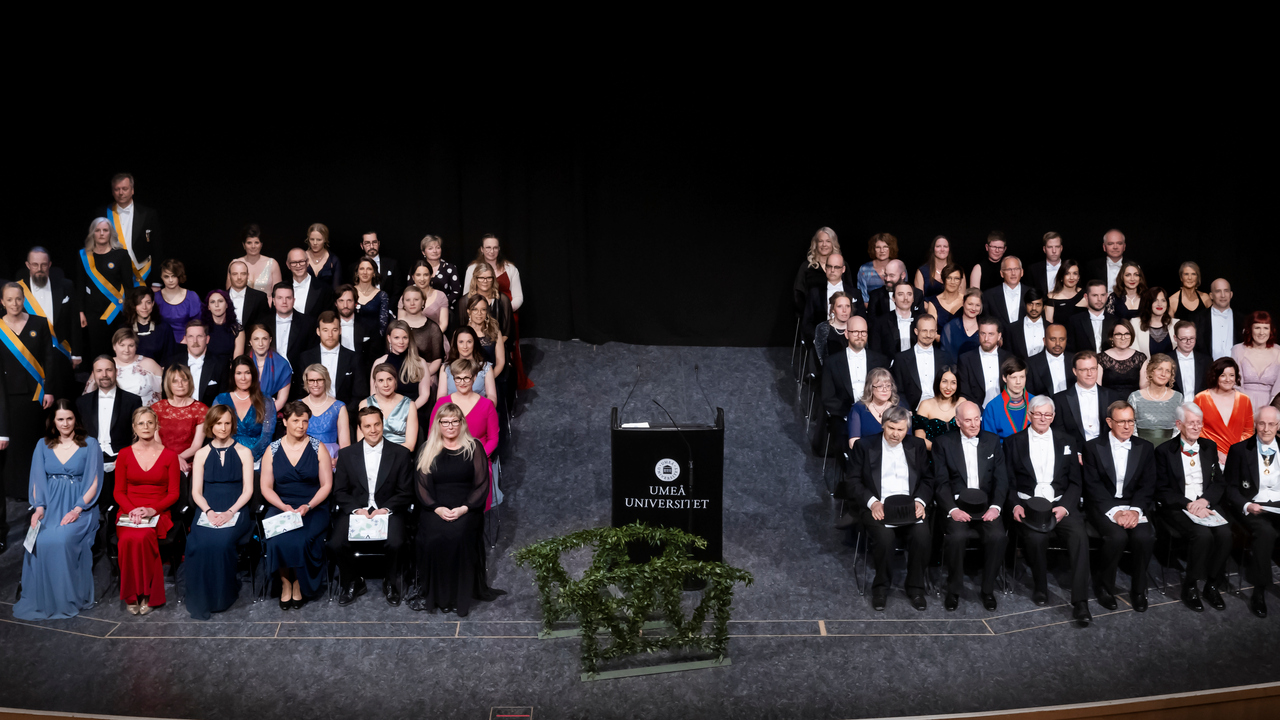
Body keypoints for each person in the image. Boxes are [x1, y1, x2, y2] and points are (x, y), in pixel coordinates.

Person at [408, 401, 504, 615]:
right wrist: (437, 508)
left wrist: (464, 508)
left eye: (454, 421)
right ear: (438, 424)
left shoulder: (474, 447)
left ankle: (457, 597)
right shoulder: (427, 449)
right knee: (433, 537)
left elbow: (481, 485)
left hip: (467, 507)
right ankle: (438, 596)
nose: (450, 426)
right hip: (435, 508)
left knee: (458, 535)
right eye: (445, 422)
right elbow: (421, 486)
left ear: (462, 423)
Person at [1005, 396, 1092, 624]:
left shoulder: (1067, 440)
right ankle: (1040, 586)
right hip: (1028, 505)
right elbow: (1007, 482)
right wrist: (1015, 505)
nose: (1043, 418)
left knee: (1079, 536)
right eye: (1038, 414)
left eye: (1047, 414)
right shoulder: (1013, 442)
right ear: (1029, 415)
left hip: (1060, 504)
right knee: (1035, 538)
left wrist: (1065, 507)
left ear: (1053, 417)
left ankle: (1081, 602)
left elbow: (1075, 482)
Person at [13, 401, 102, 619]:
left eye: (69, 418)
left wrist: (77, 509)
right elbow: (37, 478)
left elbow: (94, 481)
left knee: (62, 539)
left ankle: (66, 598)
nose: (65, 423)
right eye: (60, 419)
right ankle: (44, 597)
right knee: (40, 539)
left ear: (76, 419)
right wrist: (39, 508)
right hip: (50, 505)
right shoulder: (42, 444)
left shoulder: (90, 444)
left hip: (80, 506)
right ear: (53, 421)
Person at [848, 406, 932, 611]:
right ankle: (881, 589)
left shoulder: (917, 445)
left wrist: (920, 501)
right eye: (891, 428)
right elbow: (852, 481)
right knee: (885, 539)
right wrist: (873, 502)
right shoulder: (864, 446)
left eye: (901, 430)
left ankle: (916, 588)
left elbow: (928, 479)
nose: (895, 434)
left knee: (922, 536)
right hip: (879, 506)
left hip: (910, 506)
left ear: (907, 429)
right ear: (883, 425)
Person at [329, 405, 415, 607]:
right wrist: (356, 510)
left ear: (383, 425)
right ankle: (353, 581)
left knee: (396, 542)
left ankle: (390, 581)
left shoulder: (401, 453)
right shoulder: (347, 454)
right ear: (360, 428)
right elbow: (339, 491)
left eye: (377, 424)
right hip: (356, 510)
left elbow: (406, 492)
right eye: (367, 426)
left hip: (388, 509)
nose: (373, 430)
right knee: (335, 543)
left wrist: (386, 509)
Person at [931, 400, 1008, 611]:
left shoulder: (992, 441)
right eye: (968, 420)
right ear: (957, 422)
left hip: (986, 506)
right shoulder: (943, 443)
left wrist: (996, 507)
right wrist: (952, 509)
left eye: (977, 419)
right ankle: (954, 590)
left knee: (998, 537)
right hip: (957, 505)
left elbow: (1001, 479)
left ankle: (988, 589)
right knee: (956, 537)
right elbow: (940, 482)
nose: (974, 424)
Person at [1154, 402, 1231, 612]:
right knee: (1202, 536)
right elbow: (1161, 489)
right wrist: (1188, 504)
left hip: (1205, 503)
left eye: (1199, 423)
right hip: (1179, 505)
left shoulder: (1209, 447)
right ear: (1179, 424)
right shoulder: (1164, 451)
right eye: (1191, 423)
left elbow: (1219, 482)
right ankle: (1190, 585)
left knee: (1225, 534)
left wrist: (1205, 501)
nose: (1196, 427)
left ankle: (1212, 584)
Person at [1081, 400, 1157, 612]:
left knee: (1144, 537)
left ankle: (1139, 589)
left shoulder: (1145, 447)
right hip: (1104, 505)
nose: (1127, 426)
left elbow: (1148, 485)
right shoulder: (1092, 447)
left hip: (1134, 505)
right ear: (1109, 422)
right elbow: (1092, 486)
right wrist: (1115, 512)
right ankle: (1104, 586)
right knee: (1116, 537)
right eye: (1121, 421)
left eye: (1131, 421)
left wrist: (1135, 510)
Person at [184, 404, 254, 620]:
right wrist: (208, 511)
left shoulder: (244, 452)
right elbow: (196, 492)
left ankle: (222, 596)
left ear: (232, 425)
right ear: (210, 425)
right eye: (218, 423)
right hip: (208, 507)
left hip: (236, 508)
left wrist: (230, 512)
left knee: (222, 543)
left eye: (227, 423)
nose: (223, 428)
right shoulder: (202, 453)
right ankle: (202, 596)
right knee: (198, 543)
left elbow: (248, 490)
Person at [2, 281, 60, 543]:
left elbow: (49, 358)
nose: (15, 304)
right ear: (2, 302)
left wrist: (49, 389)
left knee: (36, 445)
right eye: (9, 299)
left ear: (24, 299)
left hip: (37, 396)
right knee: (15, 446)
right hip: (8, 397)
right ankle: (17, 490)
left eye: (18, 299)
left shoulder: (39, 323)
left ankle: (37, 491)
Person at [262, 401, 333, 609]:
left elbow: (326, 485)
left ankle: (300, 583)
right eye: (295, 421)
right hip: (281, 505)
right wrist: (283, 506)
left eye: (305, 421)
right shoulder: (272, 449)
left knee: (301, 539)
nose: (301, 426)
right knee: (277, 539)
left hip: (313, 506)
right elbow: (266, 487)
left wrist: (308, 506)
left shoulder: (318, 447)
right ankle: (286, 582)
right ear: (285, 422)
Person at [113, 407, 180, 614]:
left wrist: (152, 510)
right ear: (134, 427)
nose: (146, 427)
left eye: (150, 422)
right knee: (127, 538)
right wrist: (132, 510)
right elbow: (118, 491)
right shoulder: (124, 454)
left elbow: (173, 494)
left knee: (143, 537)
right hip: (129, 511)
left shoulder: (170, 456)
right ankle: (132, 594)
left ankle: (150, 594)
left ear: (157, 426)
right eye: (141, 423)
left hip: (157, 512)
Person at [76, 356, 142, 558]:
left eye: (108, 370)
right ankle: (92, 541)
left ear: (116, 372)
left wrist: (125, 458)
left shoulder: (133, 400)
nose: (104, 375)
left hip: (120, 458)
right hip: (92, 459)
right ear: (94, 375)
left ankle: (116, 542)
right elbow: (79, 436)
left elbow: (137, 436)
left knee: (117, 500)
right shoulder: (82, 402)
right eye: (99, 371)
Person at [1223, 405, 1280, 618]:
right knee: (1266, 533)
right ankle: (1259, 590)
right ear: (1255, 424)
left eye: (1271, 424)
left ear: (1278, 426)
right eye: (1262, 423)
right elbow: (1229, 487)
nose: (1266, 429)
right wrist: (1246, 505)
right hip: (1254, 506)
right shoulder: (1239, 450)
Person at [464, 234, 530, 391]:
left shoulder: (510, 269)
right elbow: (467, 294)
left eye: (495, 247)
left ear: (499, 249)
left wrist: (502, 309)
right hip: (478, 313)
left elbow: (519, 297)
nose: (491, 251)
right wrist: (481, 311)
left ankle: (508, 377)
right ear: (482, 249)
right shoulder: (472, 269)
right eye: (488, 247)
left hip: (505, 312)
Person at [430, 359, 501, 505]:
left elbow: (493, 439)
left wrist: (478, 457)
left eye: (466, 378)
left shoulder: (487, 405)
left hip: (477, 458)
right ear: (453, 379)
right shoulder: (442, 403)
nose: (462, 382)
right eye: (458, 378)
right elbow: (433, 434)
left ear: (474, 378)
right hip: (446, 458)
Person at [17, 247, 80, 390]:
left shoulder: (66, 286)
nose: (39, 269)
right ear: (28, 265)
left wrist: (77, 354)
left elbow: (74, 322)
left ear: (50, 264)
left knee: (62, 395)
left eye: (43, 265)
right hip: (30, 354)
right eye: (35, 265)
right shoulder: (18, 289)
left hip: (60, 353)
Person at [820, 317, 891, 443]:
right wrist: (852, 414)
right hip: (844, 414)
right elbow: (828, 397)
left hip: (876, 413)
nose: (860, 336)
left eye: (863, 332)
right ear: (847, 334)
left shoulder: (881, 361)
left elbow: (888, 390)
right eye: (855, 332)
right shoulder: (831, 362)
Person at [77, 217, 131, 361]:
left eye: (105, 230)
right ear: (92, 233)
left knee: (120, 351)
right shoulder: (84, 256)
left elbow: (129, 286)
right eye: (98, 230)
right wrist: (81, 311)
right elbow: (80, 285)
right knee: (97, 352)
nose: (101, 234)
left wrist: (130, 311)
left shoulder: (121, 254)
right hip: (93, 314)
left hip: (118, 312)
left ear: (110, 233)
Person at [1052, 351, 1120, 458]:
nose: (1090, 374)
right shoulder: (1060, 399)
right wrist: (1075, 453)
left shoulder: (1113, 396)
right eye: (1084, 370)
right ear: (1075, 371)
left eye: (1093, 368)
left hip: (1108, 453)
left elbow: (1117, 428)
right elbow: (1059, 433)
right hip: (1075, 454)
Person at [213, 356, 277, 468]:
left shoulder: (265, 400)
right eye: (239, 373)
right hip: (226, 457)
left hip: (257, 460)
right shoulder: (221, 400)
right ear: (233, 375)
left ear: (253, 375)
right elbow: (216, 433)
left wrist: (249, 457)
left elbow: (266, 436)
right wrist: (230, 457)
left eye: (247, 373)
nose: (243, 378)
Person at [369, 320, 433, 432]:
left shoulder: (420, 363)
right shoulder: (379, 363)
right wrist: (388, 413)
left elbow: (424, 395)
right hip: (386, 416)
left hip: (413, 414)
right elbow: (374, 395)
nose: (401, 342)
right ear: (389, 339)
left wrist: (407, 412)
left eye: (405, 337)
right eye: (397, 338)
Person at [102, 173, 163, 288]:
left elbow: (157, 248)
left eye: (124, 189)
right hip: (112, 275)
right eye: (117, 189)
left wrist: (156, 282)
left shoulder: (148, 214)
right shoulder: (102, 213)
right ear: (112, 192)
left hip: (142, 274)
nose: (121, 193)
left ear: (132, 190)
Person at [296, 311, 364, 410]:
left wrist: (344, 413)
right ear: (318, 331)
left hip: (346, 413)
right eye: (325, 330)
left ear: (340, 331)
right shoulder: (305, 358)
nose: (330, 335)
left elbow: (359, 394)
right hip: (312, 413)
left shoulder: (354, 358)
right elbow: (301, 392)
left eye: (334, 330)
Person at [1194, 357, 1256, 464]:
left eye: (1231, 375)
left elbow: (1248, 432)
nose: (1228, 379)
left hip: (1238, 457)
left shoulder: (1244, 400)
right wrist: (1215, 452)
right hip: (1208, 456)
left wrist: (1235, 452)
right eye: (1223, 375)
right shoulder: (1201, 398)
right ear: (1215, 376)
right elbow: (1197, 430)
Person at [151, 363, 209, 473]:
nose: (180, 385)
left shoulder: (201, 409)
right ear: (168, 383)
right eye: (175, 381)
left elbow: (196, 445)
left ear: (189, 382)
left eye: (184, 380)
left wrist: (178, 459)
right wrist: (173, 458)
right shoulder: (157, 408)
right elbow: (156, 442)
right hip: (161, 459)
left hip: (189, 464)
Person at [891, 314, 954, 411]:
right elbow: (898, 391)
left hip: (941, 410)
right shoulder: (901, 359)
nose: (928, 335)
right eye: (924, 331)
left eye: (932, 331)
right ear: (916, 331)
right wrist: (906, 411)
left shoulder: (946, 357)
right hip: (911, 411)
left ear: (936, 332)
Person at [165, 320, 228, 407]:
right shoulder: (171, 362)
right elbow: (166, 396)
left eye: (199, 336)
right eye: (191, 336)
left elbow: (223, 400)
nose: (195, 341)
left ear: (207, 339)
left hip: (209, 414)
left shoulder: (221, 364)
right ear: (185, 339)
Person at [95, 328, 163, 406]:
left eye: (131, 345)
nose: (126, 350)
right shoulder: (104, 364)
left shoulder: (149, 363)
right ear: (114, 346)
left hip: (147, 411)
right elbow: (89, 394)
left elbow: (166, 390)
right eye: (122, 345)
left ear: (136, 347)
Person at [464, 263, 515, 367]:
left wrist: (493, 346)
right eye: (481, 278)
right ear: (475, 279)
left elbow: (508, 331)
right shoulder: (464, 301)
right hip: (469, 350)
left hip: (497, 350)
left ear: (493, 279)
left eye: (489, 278)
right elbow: (460, 329)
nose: (485, 281)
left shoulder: (503, 300)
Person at [360, 363, 418, 450]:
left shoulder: (409, 405)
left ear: (395, 381)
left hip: (400, 454)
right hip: (373, 453)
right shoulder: (365, 404)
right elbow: (361, 442)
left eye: (389, 379)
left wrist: (388, 455)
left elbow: (410, 445)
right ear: (375, 383)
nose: (386, 384)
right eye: (381, 380)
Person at [264, 283, 318, 377]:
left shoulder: (308, 323)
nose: (284, 302)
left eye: (288, 298)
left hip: (298, 377)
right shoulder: (263, 323)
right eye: (280, 298)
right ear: (273, 301)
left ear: (294, 300)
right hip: (268, 376)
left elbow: (312, 354)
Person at [957, 317, 1011, 408]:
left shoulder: (1009, 359)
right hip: (976, 411)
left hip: (1005, 410)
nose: (986, 338)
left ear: (999, 336)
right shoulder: (965, 359)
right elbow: (964, 392)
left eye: (991, 334)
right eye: (983, 333)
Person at [299, 364, 350, 461]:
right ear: (306, 381)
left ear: (326, 381)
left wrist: (338, 461)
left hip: (331, 458)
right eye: (311, 380)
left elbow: (345, 444)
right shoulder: (298, 406)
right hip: (303, 457)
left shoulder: (338, 407)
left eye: (319, 380)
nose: (315, 384)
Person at [846, 368, 906, 448]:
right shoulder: (858, 408)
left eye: (888, 386)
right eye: (880, 386)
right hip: (866, 453)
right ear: (870, 388)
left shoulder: (899, 407)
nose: (885, 390)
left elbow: (907, 440)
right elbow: (853, 442)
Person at [1129, 354, 1183, 444]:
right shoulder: (1135, 397)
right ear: (1151, 371)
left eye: (1168, 371)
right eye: (1159, 369)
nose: (1163, 374)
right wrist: (1141, 447)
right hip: (1141, 446)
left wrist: (1169, 448)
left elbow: (1179, 427)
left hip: (1169, 448)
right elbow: (1130, 426)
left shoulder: (1178, 397)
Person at [465, 296, 508, 406]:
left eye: (483, 309)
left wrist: (488, 380)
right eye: (475, 309)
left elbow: (500, 362)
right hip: (466, 382)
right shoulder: (462, 333)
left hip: (491, 379)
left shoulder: (495, 332)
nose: (479, 313)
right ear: (469, 312)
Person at [1232, 311, 1280, 410]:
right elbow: (1235, 383)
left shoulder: (1278, 351)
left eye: (1266, 328)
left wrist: (1271, 410)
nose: (1261, 332)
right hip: (1241, 404)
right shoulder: (1238, 350)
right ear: (1250, 329)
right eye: (1257, 328)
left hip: (1272, 407)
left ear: (1271, 330)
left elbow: (1278, 388)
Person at [441, 326, 498, 405]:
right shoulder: (446, 368)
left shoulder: (486, 367)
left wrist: (482, 409)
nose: (465, 346)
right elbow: (441, 397)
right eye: (461, 342)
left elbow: (492, 397)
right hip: (452, 411)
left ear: (474, 343)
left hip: (479, 410)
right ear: (456, 344)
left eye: (469, 342)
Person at [245, 324, 292, 416]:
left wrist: (263, 415)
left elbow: (281, 400)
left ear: (270, 340)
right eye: (256, 339)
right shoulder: (242, 364)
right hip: (245, 413)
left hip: (272, 414)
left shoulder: (282, 365)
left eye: (264, 339)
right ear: (250, 341)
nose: (260, 343)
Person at [981, 356, 1034, 439]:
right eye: (1013, 377)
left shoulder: (1035, 402)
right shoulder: (992, 407)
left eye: (1022, 377)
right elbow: (988, 441)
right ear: (1004, 378)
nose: (1018, 382)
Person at [154, 260, 203, 345]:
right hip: (162, 343)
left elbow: (198, 323)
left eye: (173, 276)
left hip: (188, 342)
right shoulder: (156, 298)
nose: (170, 280)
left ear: (179, 276)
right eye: (166, 276)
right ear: (161, 277)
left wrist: (189, 338)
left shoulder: (192, 297)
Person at [912, 366, 962, 451]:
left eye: (953, 382)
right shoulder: (925, 405)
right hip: (933, 453)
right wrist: (941, 451)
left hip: (959, 453)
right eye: (944, 381)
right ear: (938, 382)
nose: (948, 387)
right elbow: (920, 438)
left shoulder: (962, 403)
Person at [804, 253, 852, 337]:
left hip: (849, 339)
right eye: (829, 266)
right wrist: (818, 339)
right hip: (822, 338)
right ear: (825, 268)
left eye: (836, 267)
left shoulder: (854, 293)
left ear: (843, 269)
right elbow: (807, 323)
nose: (832, 270)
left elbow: (861, 320)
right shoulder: (815, 293)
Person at [794, 227, 840, 312]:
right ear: (815, 243)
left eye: (828, 241)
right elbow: (798, 293)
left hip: (838, 316)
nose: (824, 244)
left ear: (833, 243)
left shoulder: (841, 265)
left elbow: (849, 291)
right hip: (812, 316)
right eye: (820, 241)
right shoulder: (806, 266)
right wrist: (807, 314)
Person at [124, 286, 175, 363]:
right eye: (139, 303)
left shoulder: (164, 328)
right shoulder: (125, 329)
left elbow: (170, 357)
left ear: (153, 303)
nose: (144, 307)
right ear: (134, 306)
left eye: (148, 302)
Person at [227, 224, 282, 295]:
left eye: (256, 242)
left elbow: (279, 293)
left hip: (267, 302)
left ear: (261, 244)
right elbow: (229, 293)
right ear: (243, 245)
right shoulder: (234, 264)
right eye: (249, 243)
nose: (253, 246)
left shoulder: (272, 264)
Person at [869, 282, 921, 357]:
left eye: (909, 294)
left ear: (913, 298)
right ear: (893, 298)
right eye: (900, 294)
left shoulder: (921, 321)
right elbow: (875, 352)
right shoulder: (880, 322)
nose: (905, 298)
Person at [1098, 319, 1147, 397]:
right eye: (1118, 334)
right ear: (1111, 337)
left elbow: (1144, 390)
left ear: (1131, 335)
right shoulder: (1101, 358)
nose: (1123, 338)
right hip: (1108, 402)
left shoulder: (1140, 358)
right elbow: (1098, 390)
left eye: (1127, 334)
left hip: (1134, 402)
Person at [982, 255, 1030, 333]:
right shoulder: (989, 295)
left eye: (1016, 269)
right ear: (1001, 273)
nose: (1013, 273)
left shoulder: (1031, 293)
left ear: (1022, 272)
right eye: (1009, 269)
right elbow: (985, 322)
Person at [1066, 280, 1116, 354]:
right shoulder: (1075, 321)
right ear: (1086, 297)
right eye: (1095, 295)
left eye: (1102, 295)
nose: (1099, 299)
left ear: (1107, 296)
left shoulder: (1115, 321)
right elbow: (1070, 350)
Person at [285, 248, 336, 320]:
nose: (298, 265)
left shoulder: (324, 289)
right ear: (288, 265)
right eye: (293, 262)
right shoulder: (281, 288)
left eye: (301, 261)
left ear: (307, 262)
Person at [1027, 324, 1074, 397]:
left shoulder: (1075, 360)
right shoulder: (1031, 363)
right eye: (1053, 339)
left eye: (1062, 339)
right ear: (1044, 341)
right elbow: (1029, 394)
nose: (1057, 343)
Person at [335, 284, 381, 360]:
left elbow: (375, 355)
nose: (345, 305)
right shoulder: (330, 325)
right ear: (336, 303)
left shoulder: (369, 324)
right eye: (341, 301)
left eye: (349, 301)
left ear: (355, 303)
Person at [419, 234, 463, 314]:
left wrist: (440, 304)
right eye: (430, 248)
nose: (435, 251)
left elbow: (456, 292)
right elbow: (411, 289)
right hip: (419, 309)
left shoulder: (450, 268)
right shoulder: (417, 268)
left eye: (438, 248)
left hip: (444, 309)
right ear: (423, 252)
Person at [1196, 278, 1237, 360]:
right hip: (1207, 367)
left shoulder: (1243, 320)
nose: (1223, 295)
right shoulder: (1198, 319)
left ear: (1231, 294)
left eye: (1226, 291)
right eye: (1218, 291)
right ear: (1211, 295)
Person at [352, 256, 392, 338]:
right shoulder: (349, 292)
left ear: (374, 273)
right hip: (351, 339)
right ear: (357, 272)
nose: (365, 272)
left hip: (375, 341)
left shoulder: (382, 295)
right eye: (362, 269)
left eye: (369, 269)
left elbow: (383, 325)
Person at [225, 259, 270, 330]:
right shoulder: (221, 297)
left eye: (243, 274)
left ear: (247, 275)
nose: (239, 277)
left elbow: (265, 325)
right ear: (229, 276)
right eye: (235, 274)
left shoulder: (260, 297)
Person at [1005, 288, 1047, 361]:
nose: (1034, 308)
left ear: (1043, 307)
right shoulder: (1012, 328)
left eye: (1038, 304)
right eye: (1030, 304)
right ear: (1025, 305)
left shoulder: (1051, 327)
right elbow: (1008, 355)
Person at [940, 288, 984, 359]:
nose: (973, 308)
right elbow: (944, 356)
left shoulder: (985, 328)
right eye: (970, 304)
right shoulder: (950, 327)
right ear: (963, 303)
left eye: (977, 305)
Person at [1171, 320, 1212, 396]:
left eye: (1192, 338)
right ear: (1175, 338)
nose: (1188, 342)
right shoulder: (1166, 360)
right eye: (1184, 338)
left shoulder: (1207, 361)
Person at [813, 293, 853, 368]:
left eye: (847, 306)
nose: (844, 310)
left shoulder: (856, 327)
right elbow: (821, 358)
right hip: (830, 370)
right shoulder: (823, 328)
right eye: (839, 306)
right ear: (833, 309)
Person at [360, 230, 401, 302]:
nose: (371, 246)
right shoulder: (354, 267)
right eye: (367, 243)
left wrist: (388, 308)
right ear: (362, 246)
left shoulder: (392, 264)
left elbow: (397, 291)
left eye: (374, 242)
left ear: (379, 243)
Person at [204, 289, 245, 361]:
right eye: (212, 302)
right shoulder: (202, 328)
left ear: (227, 304)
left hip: (229, 367)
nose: (217, 305)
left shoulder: (236, 329)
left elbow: (237, 361)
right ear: (208, 307)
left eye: (220, 301)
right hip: (206, 367)